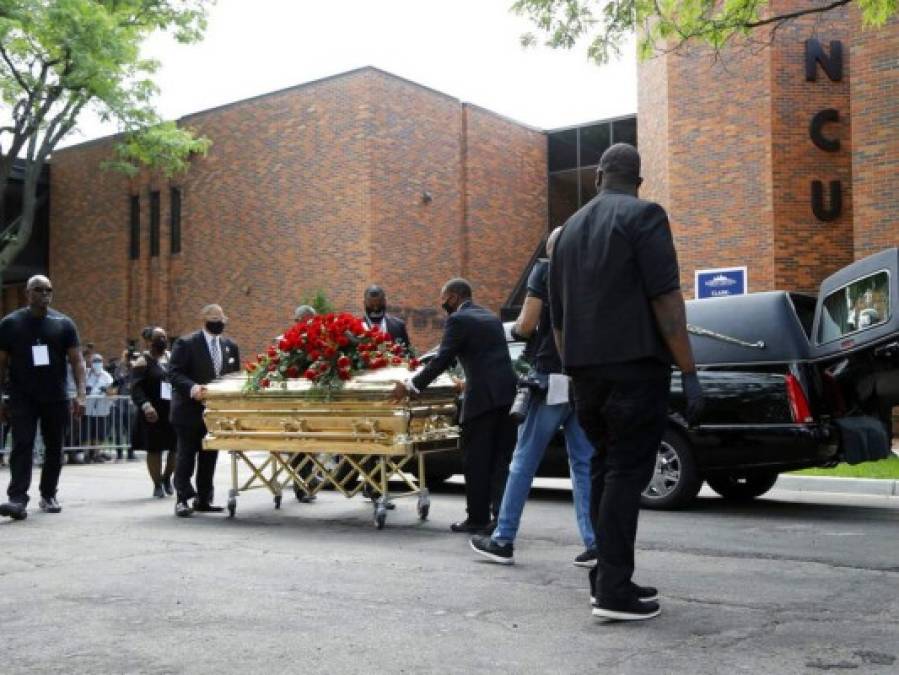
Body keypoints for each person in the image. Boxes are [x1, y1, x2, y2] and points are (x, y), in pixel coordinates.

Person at [549, 143, 704, 622]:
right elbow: (666, 301)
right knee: (624, 473)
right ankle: (613, 590)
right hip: (635, 370)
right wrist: (690, 371)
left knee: (602, 468)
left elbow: (557, 319)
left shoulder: (566, 231)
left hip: (583, 374)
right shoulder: (645, 217)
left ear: (598, 176)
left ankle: (607, 578)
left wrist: (573, 368)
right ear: (639, 180)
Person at [470, 227, 597, 566]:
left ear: (552, 248)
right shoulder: (589, 273)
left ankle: (503, 539)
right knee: (583, 463)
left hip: (548, 377)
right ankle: (594, 543)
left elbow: (526, 324)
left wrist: (514, 330)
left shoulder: (546, 269)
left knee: (523, 461)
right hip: (581, 379)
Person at [391, 279, 517, 533]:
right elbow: (489, 360)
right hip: (506, 397)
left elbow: (441, 360)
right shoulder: (490, 317)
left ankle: (477, 519)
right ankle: (501, 519)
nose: (442, 304)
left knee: (477, 462)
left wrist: (412, 386)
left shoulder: (458, 320)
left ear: (454, 297)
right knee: (500, 463)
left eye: (444, 298)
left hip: (481, 401)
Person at [0, 275, 86, 520]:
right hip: (21, 396)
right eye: (39, 290)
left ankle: (48, 494)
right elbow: (1, 363)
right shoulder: (10, 323)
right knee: (22, 445)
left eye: (49, 289)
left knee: (54, 448)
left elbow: (77, 361)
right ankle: (17, 499)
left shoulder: (64, 324)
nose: (45, 294)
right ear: (28, 293)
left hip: (56, 396)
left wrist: (81, 394)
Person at [169, 304, 240, 517]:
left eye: (222, 317)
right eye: (214, 317)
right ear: (204, 318)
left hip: (215, 412)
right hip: (188, 410)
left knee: (209, 456)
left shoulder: (230, 346)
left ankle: (204, 498)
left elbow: (233, 376)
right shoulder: (186, 343)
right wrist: (192, 388)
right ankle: (182, 498)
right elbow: (173, 373)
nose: (219, 321)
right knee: (186, 456)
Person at [131, 327, 177, 498]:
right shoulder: (142, 362)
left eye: (164, 337)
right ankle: (157, 484)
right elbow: (136, 389)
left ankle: (167, 478)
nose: (163, 340)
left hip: (171, 410)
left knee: (175, 447)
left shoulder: (171, 358)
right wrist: (146, 405)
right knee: (155, 449)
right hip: (152, 412)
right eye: (159, 337)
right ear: (149, 342)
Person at [83, 353, 115, 463]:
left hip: (102, 409)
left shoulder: (106, 376)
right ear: (91, 363)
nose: (97, 364)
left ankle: (96, 454)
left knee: (99, 432)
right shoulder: (86, 374)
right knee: (87, 432)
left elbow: (113, 391)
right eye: (95, 361)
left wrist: (107, 390)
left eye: (99, 361)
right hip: (88, 409)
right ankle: (87, 454)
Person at [362, 285, 411, 351]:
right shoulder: (357, 327)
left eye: (379, 303)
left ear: (385, 301)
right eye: (371, 305)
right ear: (364, 303)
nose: (375, 308)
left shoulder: (398, 326)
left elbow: (409, 355)